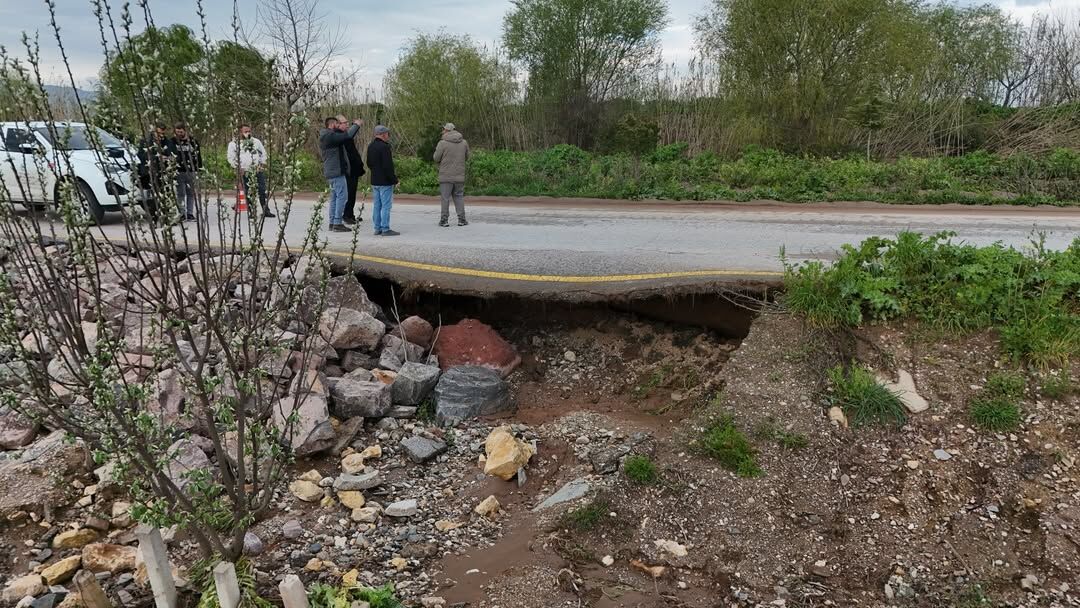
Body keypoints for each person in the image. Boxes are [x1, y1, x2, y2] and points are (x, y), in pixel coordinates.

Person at [319, 116, 362, 232]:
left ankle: (333, 222)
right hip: (336, 172)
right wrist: (356, 125)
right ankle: (337, 223)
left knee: (334, 197)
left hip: (331, 172)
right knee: (342, 197)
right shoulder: (330, 136)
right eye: (338, 124)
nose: (339, 126)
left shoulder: (327, 136)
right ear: (332, 124)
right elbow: (347, 136)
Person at [226, 124, 275, 218]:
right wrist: (238, 167)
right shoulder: (234, 144)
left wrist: (262, 163)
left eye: (249, 131)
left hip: (257, 169)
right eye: (245, 131)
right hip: (244, 171)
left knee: (262, 190)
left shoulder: (256, 142)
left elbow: (263, 153)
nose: (248, 133)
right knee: (248, 191)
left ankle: (266, 210)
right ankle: (251, 211)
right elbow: (231, 158)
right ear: (240, 132)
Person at [433, 122, 470, 227]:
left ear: (447, 130)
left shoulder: (442, 143)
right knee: (459, 197)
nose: (442, 131)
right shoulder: (464, 142)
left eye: (443, 129)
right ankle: (462, 220)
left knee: (445, 198)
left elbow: (436, 158)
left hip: (445, 175)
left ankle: (444, 221)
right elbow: (467, 157)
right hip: (459, 175)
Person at [366, 125, 399, 237]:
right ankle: (385, 228)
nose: (388, 136)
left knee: (377, 205)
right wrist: (394, 180)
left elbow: (369, 163)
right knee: (386, 205)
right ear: (383, 134)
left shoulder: (371, 146)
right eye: (387, 134)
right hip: (385, 181)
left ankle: (377, 228)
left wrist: (375, 171)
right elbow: (388, 166)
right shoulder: (385, 147)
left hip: (375, 180)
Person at [168, 122, 202, 221]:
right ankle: (181, 213)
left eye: (181, 132)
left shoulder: (192, 141)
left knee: (191, 193)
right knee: (180, 193)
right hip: (178, 171)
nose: (179, 134)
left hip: (191, 170)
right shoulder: (173, 141)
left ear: (185, 131)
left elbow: (198, 156)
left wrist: (198, 168)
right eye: (177, 132)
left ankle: (190, 213)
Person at [335, 114, 365, 225]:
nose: (347, 125)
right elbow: (349, 135)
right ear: (337, 124)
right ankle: (346, 215)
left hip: (353, 169)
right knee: (348, 193)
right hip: (347, 170)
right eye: (345, 123)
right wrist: (356, 125)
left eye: (348, 123)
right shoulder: (338, 135)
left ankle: (350, 214)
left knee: (352, 192)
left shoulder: (343, 134)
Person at [137, 121, 171, 220]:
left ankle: (166, 216)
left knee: (165, 194)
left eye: (163, 133)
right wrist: (155, 158)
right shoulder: (146, 141)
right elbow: (141, 156)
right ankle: (154, 217)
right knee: (153, 196)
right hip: (150, 173)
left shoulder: (166, 141)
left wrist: (168, 157)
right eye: (159, 133)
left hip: (163, 172)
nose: (161, 136)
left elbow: (171, 151)